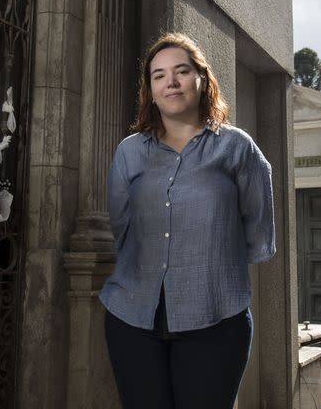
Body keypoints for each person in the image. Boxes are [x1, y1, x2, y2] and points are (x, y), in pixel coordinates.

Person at [99, 32, 276, 409]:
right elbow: (122, 226)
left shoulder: (237, 148)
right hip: (132, 319)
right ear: (150, 88)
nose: (171, 82)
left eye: (181, 71)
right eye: (159, 75)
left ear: (202, 79)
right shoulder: (129, 153)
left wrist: (211, 256)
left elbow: (258, 229)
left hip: (216, 320)